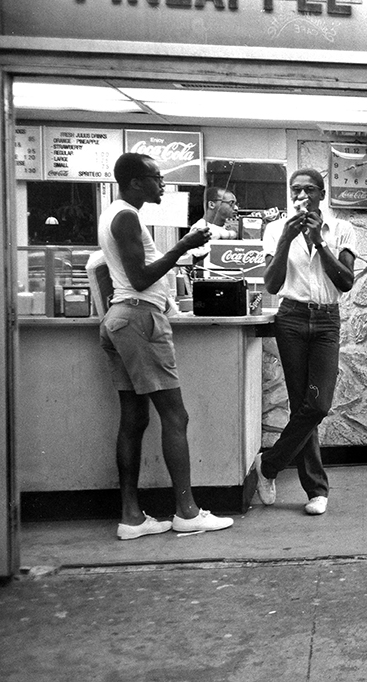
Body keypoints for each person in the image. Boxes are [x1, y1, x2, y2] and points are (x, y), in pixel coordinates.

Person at [98, 152, 234, 540]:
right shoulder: (127, 217)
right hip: (139, 319)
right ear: (136, 182)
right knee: (176, 417)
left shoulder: (115, 214)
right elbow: (140, 278)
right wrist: (181, 247)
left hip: (119, 319)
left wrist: (185, 248)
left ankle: (131, 517)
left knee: (134, 419)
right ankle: (187, 512)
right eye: (156, 178)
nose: (162, 184)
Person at [247, 169, 355, 517]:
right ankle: (317, 489)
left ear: (322, 193)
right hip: (291, 317)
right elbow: (272, 285)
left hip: (326, 319)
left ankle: (269, 464)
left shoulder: (341, 229)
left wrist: (319, 241)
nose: (302, 195)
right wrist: (285, 241)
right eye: (296, 190)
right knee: (300, 405)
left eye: (309, 189)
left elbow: (346, 281)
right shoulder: (276, 230)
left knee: (318, 405)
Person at [188, 186, 238, 276]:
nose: (236, 208)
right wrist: (232, 233)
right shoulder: (200, 227)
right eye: (231, 203)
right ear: (211, 204)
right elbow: (196, 263)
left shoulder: (226, 227)